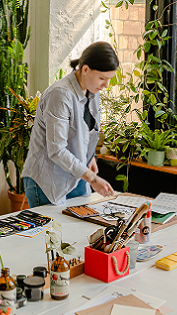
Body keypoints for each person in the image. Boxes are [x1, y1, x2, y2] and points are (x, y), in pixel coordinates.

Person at [22, 42, 118, 207]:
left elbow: (86, 131)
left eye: (109, 79)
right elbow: (57, 150)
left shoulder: (92, 91)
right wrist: (93, 178)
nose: (106, 85)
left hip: (77, 174)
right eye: (102, 78)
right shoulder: (60, 95)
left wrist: (90, 158)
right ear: (85, 69)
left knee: (81, 228)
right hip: (48, 180)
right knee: (52, 232)